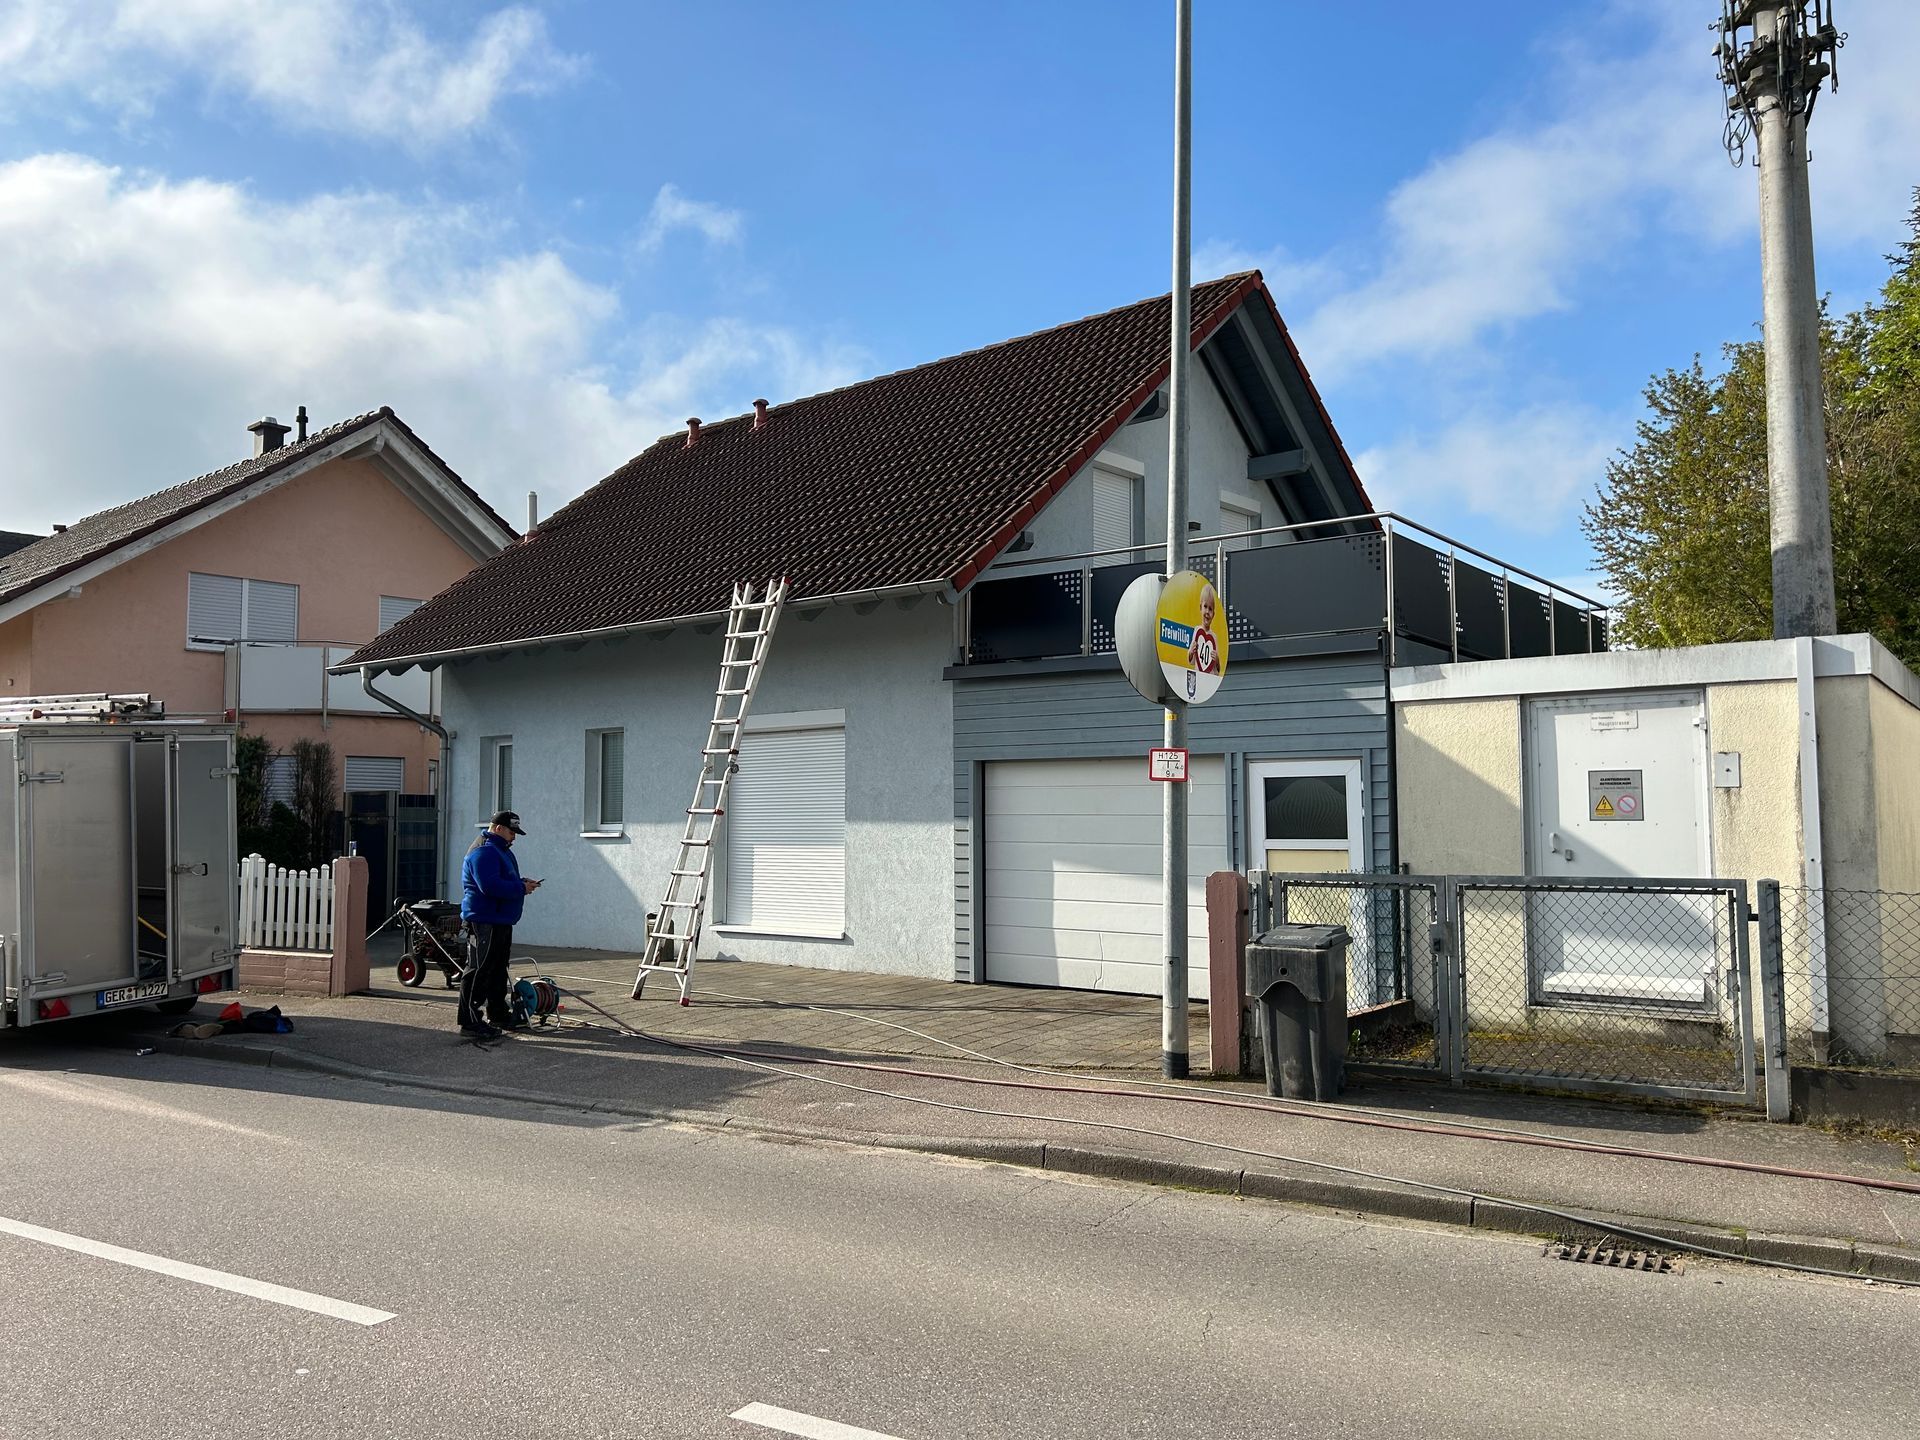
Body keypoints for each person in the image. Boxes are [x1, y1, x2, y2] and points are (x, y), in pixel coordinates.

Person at [459, 810, 541, 1039]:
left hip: (499, 920)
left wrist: (522, 882)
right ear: (498, 828)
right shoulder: (484, 851)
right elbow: (489, 886)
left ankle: (498, 1014)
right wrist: (520, 888)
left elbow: (502, 880)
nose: (514, 837)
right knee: (478, 970)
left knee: (497, 969)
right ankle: (470, 1021)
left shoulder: (499, 850)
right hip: (484, 919)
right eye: (511, 831)